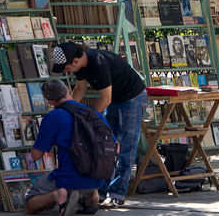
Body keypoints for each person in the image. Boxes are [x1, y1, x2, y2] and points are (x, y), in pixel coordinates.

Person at [51, 42, 147, 208]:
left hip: (132, 98)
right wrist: (68, 109)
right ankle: (100, 192)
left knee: (125, 146)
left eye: (65, 67)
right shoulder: (81, 66)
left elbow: (105, 99)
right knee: (104, 146)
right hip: (115, 99)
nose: (66, 71)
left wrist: (87, 119)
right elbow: (80, 88)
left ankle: (117, 193)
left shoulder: (98, 63)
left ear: (74, 61)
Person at [26, 79, 110, 216]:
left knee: (30, 203)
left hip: (68, 177)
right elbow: (115, 146)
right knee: (84, 181)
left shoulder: (54, 116)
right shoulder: (93, 113)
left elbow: (36, 155)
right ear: (67, 91)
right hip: (98, 176)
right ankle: (91, 195)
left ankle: (57, 195)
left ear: (49, 101)